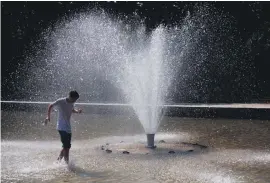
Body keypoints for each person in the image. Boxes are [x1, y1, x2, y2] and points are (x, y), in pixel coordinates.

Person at [45, 90, 82, 164]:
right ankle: (67, 165)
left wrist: (77, 111)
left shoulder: (72, 103)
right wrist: (48, 117)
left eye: (76, 100)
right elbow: (50, 106)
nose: (75, 101)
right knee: (67, 148)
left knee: (66, 146)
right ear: (70, 96)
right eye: (74, 99)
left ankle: (58, 161)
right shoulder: (61, 101)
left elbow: (72, 110)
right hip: (62, 127)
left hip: (68, 128)